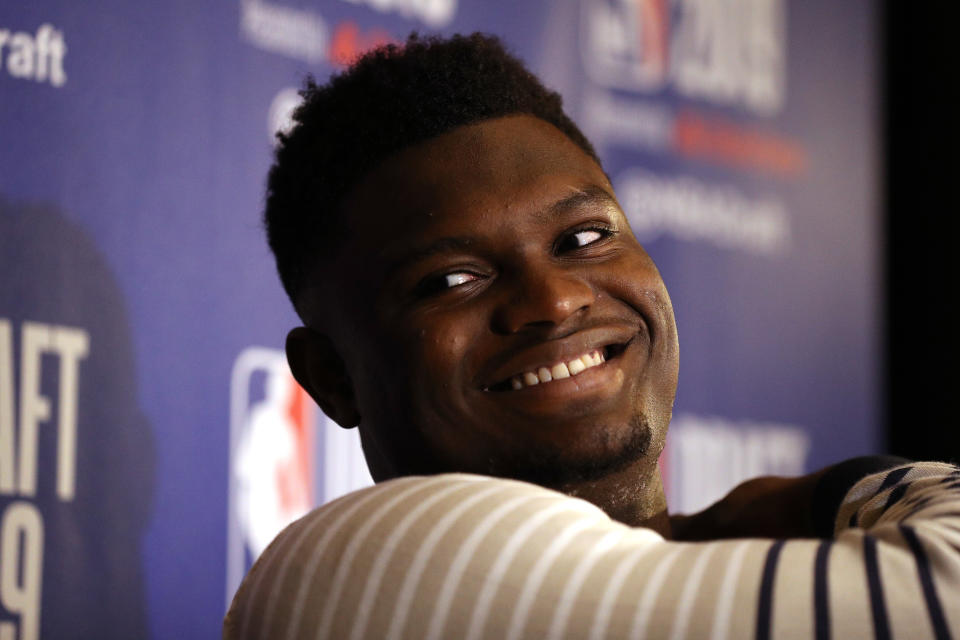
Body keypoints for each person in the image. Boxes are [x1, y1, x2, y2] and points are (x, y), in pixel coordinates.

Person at [224, 33, 960, 639]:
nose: (553, 299)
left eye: (583, 237)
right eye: (452, 280)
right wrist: (811, 501)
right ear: (332, 378)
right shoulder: (361, 571)